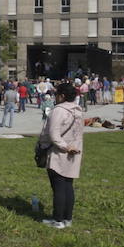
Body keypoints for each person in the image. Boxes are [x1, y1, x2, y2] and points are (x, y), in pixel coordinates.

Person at [38, 82, 84, 229]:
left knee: (58, 187)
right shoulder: (78, 110)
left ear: (62, 96)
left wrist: (65, 147)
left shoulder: (59, 110)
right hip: (74, 153)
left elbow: (53, 134)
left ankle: (58, 220)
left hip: (59, 153)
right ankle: (67, 219)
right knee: (68, 186)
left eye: (56, 95)